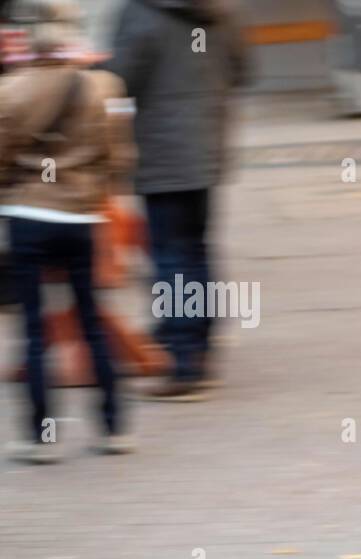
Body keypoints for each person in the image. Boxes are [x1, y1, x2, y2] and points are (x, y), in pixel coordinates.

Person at [0, 0, 136, 463]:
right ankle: (114, 428)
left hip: (29, 218)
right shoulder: (100, 88)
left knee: (35, 331)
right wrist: (90, 194)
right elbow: (117, 159)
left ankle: (41, 438)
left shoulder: (10, 91)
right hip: (81, 219)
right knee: (92, 320)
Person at [107, 0, 246, 401]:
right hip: (207, 146)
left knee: (171, 255)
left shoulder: (140, 11)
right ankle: (196, 339)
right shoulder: (225, 8)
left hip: (163, 153)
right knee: (196, 247)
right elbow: (242, 71)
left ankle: (185, 362)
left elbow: (121, 79)